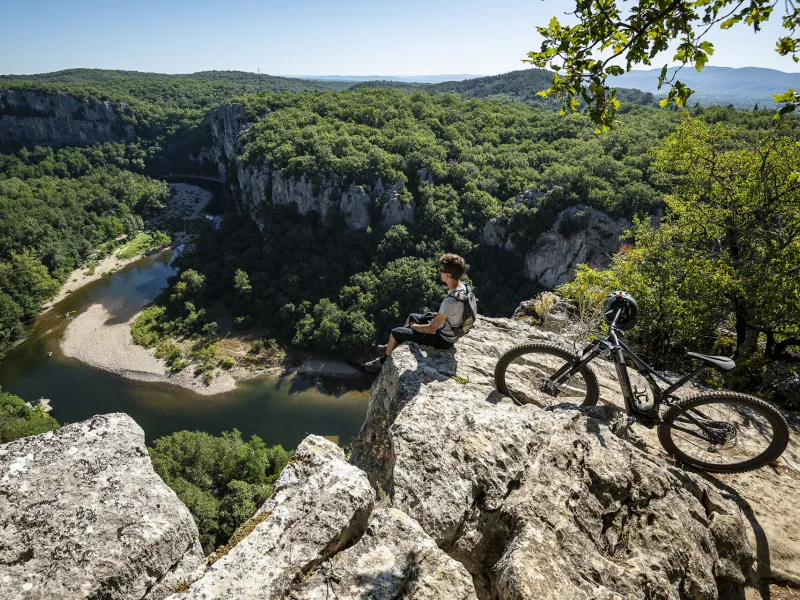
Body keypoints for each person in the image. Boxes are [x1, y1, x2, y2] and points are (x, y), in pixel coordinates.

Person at [363, 253, 468, 373]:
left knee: (395, 332)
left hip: (443, 339)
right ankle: (391, 345)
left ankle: (383, 361)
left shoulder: (450, 301)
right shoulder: (464, 288)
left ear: (448, 275)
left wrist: (415, 327)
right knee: (412, 316)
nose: (440, 272)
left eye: (441, 270)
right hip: (451, 329)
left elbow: (431, 329)